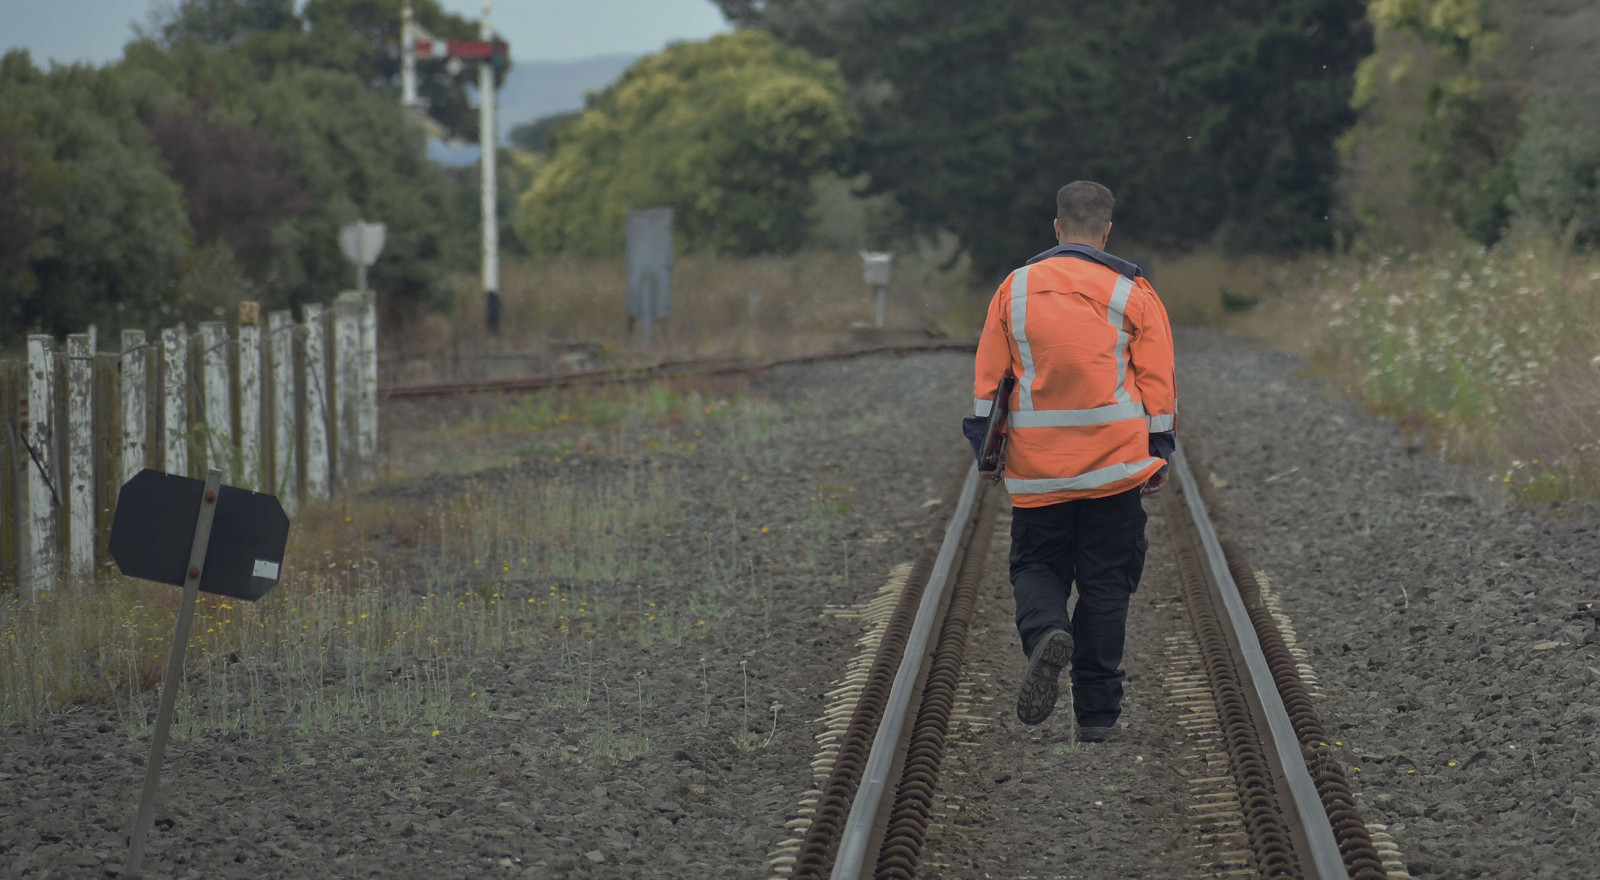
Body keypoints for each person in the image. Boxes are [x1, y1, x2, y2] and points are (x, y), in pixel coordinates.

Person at [966, 180, 1176, 743]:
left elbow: (990, 382)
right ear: (1106, 231)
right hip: (1115, 468)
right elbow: (1158, 381)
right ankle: (1097, 717)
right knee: (1107, 583)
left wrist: (986, 450)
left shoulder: (1013, 289)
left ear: (1057, 227)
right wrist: (1159, 451)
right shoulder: (1133, 291)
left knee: (1038, 566)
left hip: (1039, 471)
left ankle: (1045, 634)